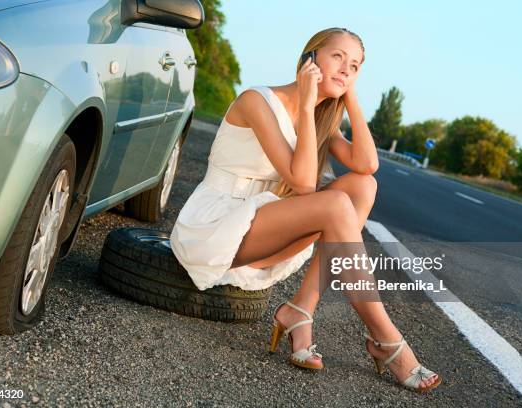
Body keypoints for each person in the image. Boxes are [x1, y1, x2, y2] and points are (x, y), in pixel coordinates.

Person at [170, 27, 441, 393]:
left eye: (356, 66)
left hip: (266, 228)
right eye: (338, 58)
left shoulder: (320, 120)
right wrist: (312, 91)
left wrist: (350, 98)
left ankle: (301, 308)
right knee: (333, 203)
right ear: (309, 59)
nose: (346, 69)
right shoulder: (257, 101)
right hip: (216, 228)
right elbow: (304, 185)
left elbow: (367, 164)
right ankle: (386, 337)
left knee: (363, 186)